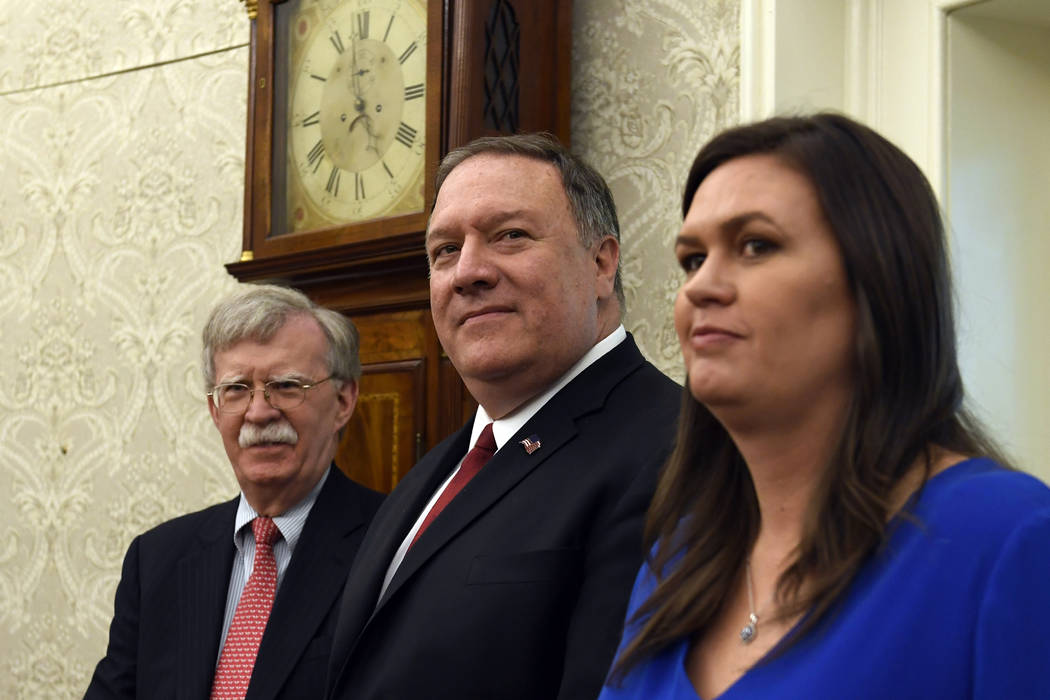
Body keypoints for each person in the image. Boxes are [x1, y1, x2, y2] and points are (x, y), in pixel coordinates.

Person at [599, 113, 1050, 699]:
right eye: (692, 259)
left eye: (756, 245)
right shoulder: (676, 559)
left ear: (877, 282)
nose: (700, 287)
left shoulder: (1008, 538)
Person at [325, 133, 681, 700]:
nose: (468, 271)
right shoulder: (435, 472)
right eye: (444, 250)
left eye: (509, 236)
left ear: (601, 262)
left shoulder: (676, 450)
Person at [85, 285, 384, 700]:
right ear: (214, 409)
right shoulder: (155, 560)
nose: (259, 412)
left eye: (285, 385)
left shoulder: (394, 548)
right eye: (236, 389)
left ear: (343, 400)